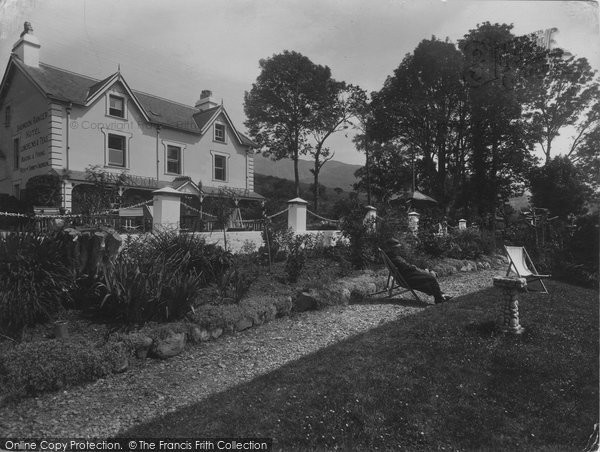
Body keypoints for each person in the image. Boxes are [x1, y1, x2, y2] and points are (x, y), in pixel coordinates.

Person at [383, 237, 452, 304]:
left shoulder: (392, 256)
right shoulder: (395, 258)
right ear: (391, 248)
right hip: (408, 278)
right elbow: (408, 267)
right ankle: (439, 299)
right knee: (431, 278)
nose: (398, 249)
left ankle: (440, 294)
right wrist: (421, 270)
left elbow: (407, 266)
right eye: (396, 248)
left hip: (407, 276)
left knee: (428, 279)